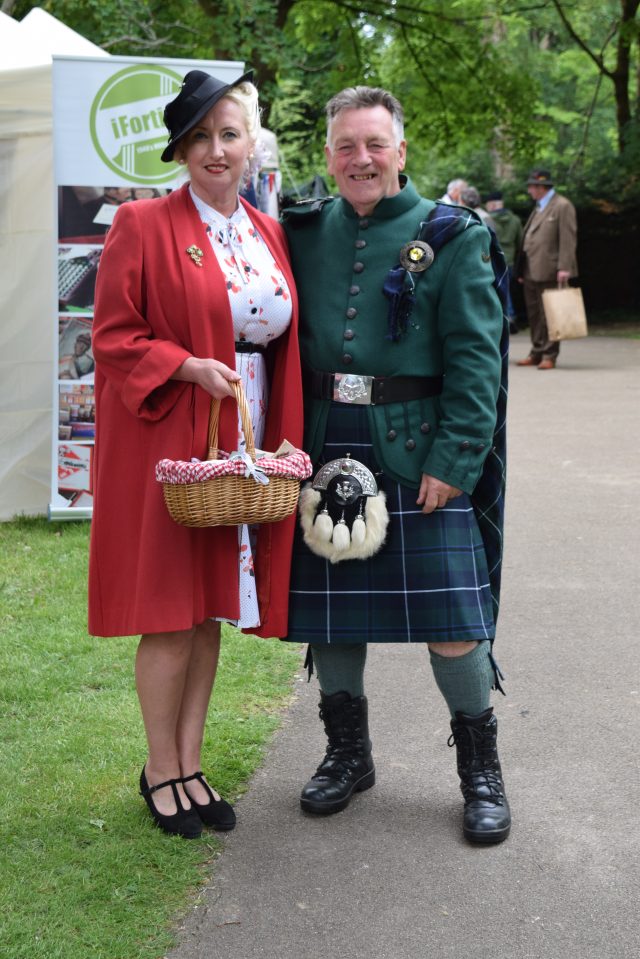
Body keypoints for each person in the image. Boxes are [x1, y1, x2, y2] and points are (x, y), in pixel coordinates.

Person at [282, 86, 511, 844]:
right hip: (324, 445)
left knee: (452, 618)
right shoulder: (303, 229)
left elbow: (479, 364)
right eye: (346, 146)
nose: (361, 159)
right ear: (328, 156)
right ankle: (348, 753)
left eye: (375, 144)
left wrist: (457, 458)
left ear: (401, 152)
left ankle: (480, 766)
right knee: (333, 615)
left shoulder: (454, 235)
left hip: (417, 449)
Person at [88, 70, 303, 838]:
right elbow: (111, 336)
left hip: (239, 435)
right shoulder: (143, 224)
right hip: (174, 428)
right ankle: (159, 768)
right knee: (171, 613)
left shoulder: (265, 229)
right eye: (201, 137)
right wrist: (184, 364)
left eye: (230, 134)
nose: (217, 149)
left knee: (210, 607)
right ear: (181, 149)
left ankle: (190, 759)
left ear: (251, 147)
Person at [517, 169, 578, 369]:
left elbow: (568, 238)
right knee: (535, 314)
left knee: (551, 313)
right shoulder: (540, 207)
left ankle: (549, 355)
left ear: (541, 187)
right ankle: (536, 351)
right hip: (531, 270)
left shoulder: (562, 206)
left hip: (551, 268)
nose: (529, 190)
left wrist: (564, 267)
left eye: (531, 186)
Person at [485, 190, 524, 334]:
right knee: (507, 291)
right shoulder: (515, 220)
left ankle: (506, 318)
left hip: (494, 260)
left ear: (492, 205)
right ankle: (510, 316)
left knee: (496, 291)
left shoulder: (488, 219)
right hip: (510, 261)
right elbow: (521, 242)